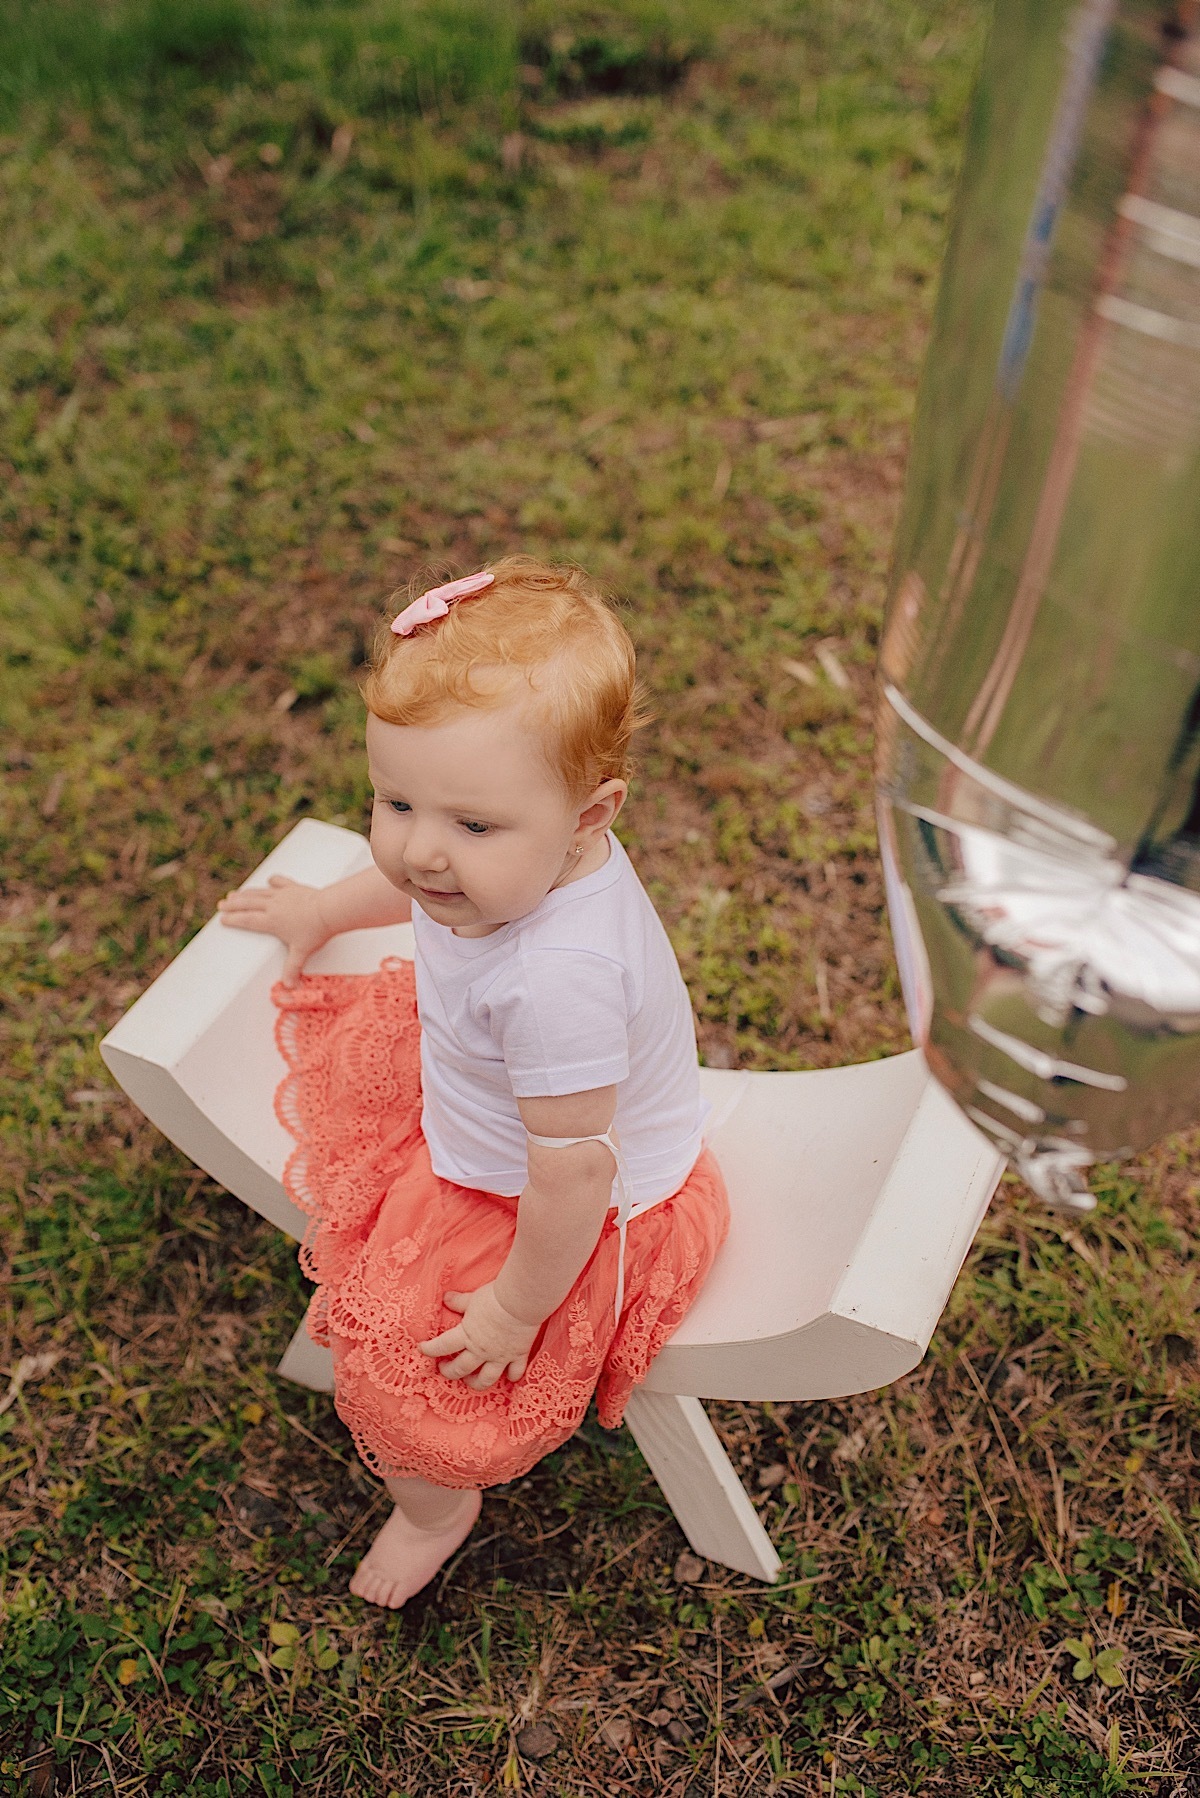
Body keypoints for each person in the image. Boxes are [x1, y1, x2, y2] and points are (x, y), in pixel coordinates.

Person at [218, 556, 730, 1608]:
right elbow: (412, 880)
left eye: (472, 825)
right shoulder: (509, 864)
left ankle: (434, 1506)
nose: (419, 850)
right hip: (501, 1105)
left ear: (594, 813)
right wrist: (324, 911)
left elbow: (575, 1174)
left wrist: (511, 1308)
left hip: (556, 1210)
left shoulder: (557, 985)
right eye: (395, 800)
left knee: (408, 1371)